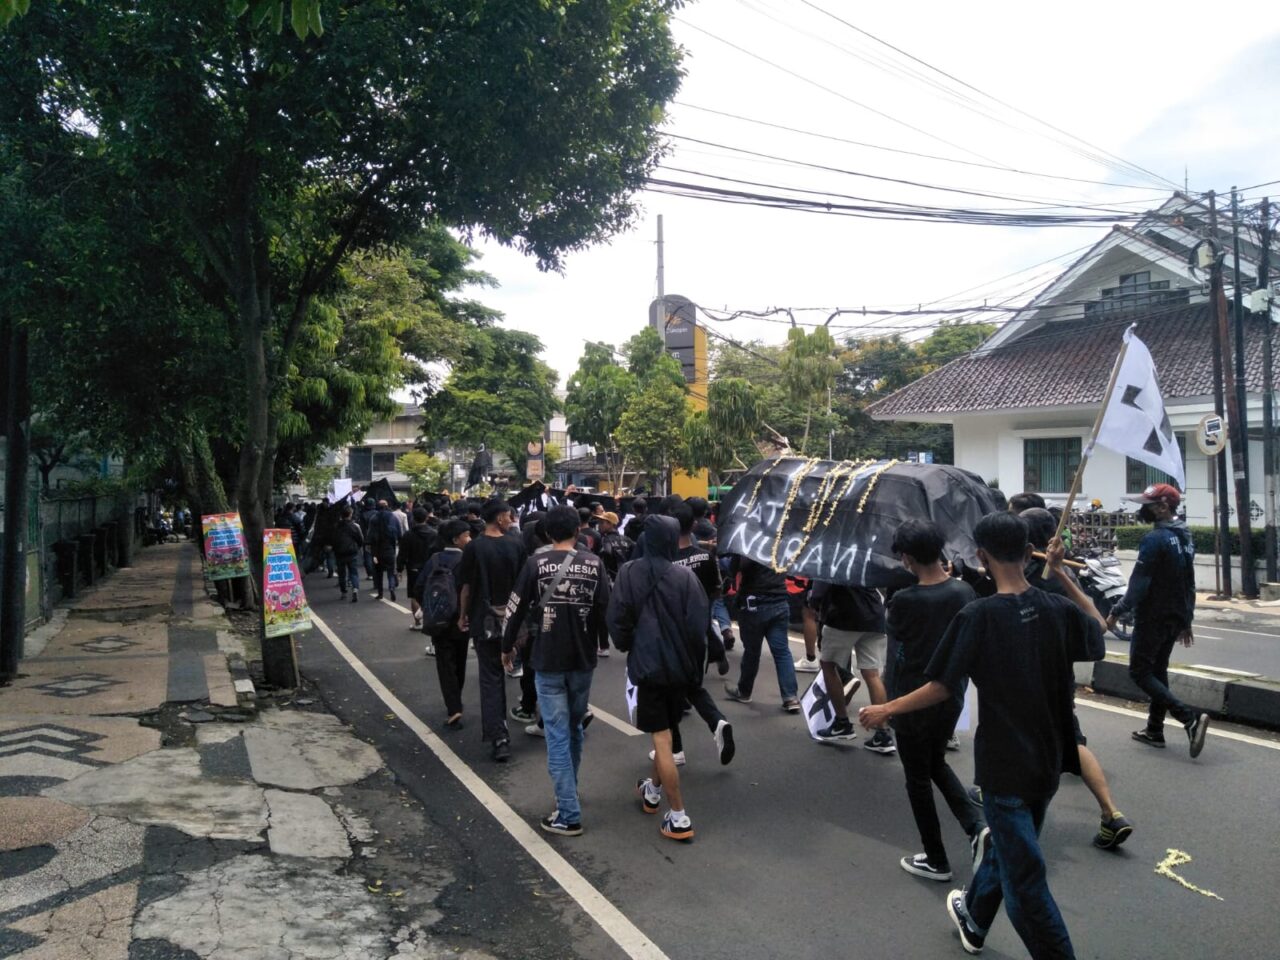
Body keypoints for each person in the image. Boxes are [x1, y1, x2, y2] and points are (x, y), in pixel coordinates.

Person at [859, 513, 1106, 960]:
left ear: (982, 556)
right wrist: (1064, 574)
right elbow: (1099, 628)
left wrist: (886, 708)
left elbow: (941, 686)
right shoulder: (1056, 609)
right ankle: (973, 917)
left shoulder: (980, 614)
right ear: (1028, 551)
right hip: (1049, 761)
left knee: (1025, 889)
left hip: (1006, 768)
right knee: (1011, 854)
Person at [1015, 508, 1134, 849]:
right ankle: (1111, 813)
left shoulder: (1033, 576)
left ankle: (1016, 816)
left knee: (1022, 741)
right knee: (1072, 741)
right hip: (1060, 674)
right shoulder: (1064, 573)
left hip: (1030, 673)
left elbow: (1096, 624)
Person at [880, 519, 986, 883]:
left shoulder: (903, 601)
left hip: (912, 701)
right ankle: (976, 828)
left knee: (917, 779)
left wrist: (888, 707)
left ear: (907, 558)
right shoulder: (964, 593)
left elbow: (895, 658)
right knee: (935, 762)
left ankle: (936, 858)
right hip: (950, 696)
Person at [502, 506, 611, 836]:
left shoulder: (535, 563)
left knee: (558, 734)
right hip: (582, 659)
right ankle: (570, 792)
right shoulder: (594, 563)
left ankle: (568, 812)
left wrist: (507, 647)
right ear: (578, 530)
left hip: (547, 659)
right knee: (574, 727)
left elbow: (515, 608)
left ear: (548, 534)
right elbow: (606, 607)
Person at [609, 515, 709, 842]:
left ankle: (678, 816)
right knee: (664, 729)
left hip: (647, 665)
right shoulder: (685, 576)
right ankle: (652, 792)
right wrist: (696, 669)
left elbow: (619, 619)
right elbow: (698, 627)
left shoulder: (628, 572)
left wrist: (627, 645)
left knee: (661, 739)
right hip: (680, 667)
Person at [1107, 483, 1208, 758]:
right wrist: (1187, 618)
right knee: (1158, 671)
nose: (1142, 511)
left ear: (1163, 507)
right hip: (1175, 616)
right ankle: (1154, 730)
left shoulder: (1155, 539)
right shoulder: (1184, 535)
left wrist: (1117, 611)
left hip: (1153, 616)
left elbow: (1140, 582)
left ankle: (1188, 718)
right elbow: (1189, 580)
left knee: (1139, 672)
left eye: (1147, 506)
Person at [457, 500, 528, 762]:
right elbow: (524, 586)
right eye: (509, 515)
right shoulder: (517, 545)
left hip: (483, 620)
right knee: (519, 666)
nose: (511, 518)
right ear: (499, 518)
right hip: (513, 621)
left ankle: (499, 738)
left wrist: (462, 615)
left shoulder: (474, 548)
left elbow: (465, 586)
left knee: (490, 677)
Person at [667, 504, 735, 766]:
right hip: (701, 633)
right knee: (693, 686)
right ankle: (717, 722)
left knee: (666, 691)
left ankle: (675, 749)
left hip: (672, 635)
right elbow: (717, 591)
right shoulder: (706, 557)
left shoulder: (666, 562)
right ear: (694, 525)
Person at [810, 581, 895, 753]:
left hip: (842, 616)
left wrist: (815, 605)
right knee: (872, 674)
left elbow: (818, 593)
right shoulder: (867, 554)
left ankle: (842, 723)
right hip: (874, 615)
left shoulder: (832, 555)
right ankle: (883, 733)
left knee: (828, 666)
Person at [724, 556, 799, 713]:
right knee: (782, 651)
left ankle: (744, 691)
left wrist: (735, 555)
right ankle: (790, 697)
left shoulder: (751, 543)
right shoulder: (781, 541)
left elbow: (736, 568)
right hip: (780, 601)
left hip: (755, 604)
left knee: (752, 651)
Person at [417, 519, 471, 727]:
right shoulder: (467, 560)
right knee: (460, 659)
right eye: (466, 535)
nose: (469, 538)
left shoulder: (435, 559)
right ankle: (456, 698)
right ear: (456, 539)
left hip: (438, 620)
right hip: (461, 619)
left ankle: (453, 705)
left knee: (444, 662)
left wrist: (430, 608)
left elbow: (420, 586)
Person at [398, 507, 439, 632]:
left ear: (413, 518)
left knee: (414, 596)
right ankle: (430, 621)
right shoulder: (434, 533)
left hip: (414, 568)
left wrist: (399, 569)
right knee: (431, 594)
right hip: (431, 568)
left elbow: (402, 554)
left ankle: (418, 623)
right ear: (427, 517)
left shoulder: (408, 535)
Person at [367, 499, 402, 601]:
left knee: (378, 572)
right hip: (389, 548)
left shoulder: (374, 518)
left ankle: (380, 593)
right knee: (391, 571)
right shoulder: (393, 517)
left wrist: (369, 547)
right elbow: (399, 533)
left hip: (377, 550)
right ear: (387, 506)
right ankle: (391, 587)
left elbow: (370, 535)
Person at [330, 505, 364, 603]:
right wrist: (357, 547)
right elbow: (360, 539)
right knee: (353, 572)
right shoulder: (355, 526)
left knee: (342, 574)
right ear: (350, 514)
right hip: (352, 552)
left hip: (339, 553)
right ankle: (355, 589)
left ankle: (343, 592)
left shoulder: (336, 526)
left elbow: (333, 539)